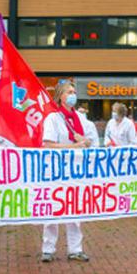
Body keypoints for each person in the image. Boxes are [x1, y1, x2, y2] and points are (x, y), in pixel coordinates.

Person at [40, 82, 96, 263]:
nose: (73, 95)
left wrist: (85, 142)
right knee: (53, 209)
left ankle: (75, 249)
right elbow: (48, 144)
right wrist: (73, 146)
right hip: (56, 170)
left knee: (75, 210)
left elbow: (90, 142)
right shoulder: (53, 118)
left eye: (74, 92)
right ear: (60, 96)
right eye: (69, 92)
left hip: (76, 170)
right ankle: (48, 248)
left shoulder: (80, 118)